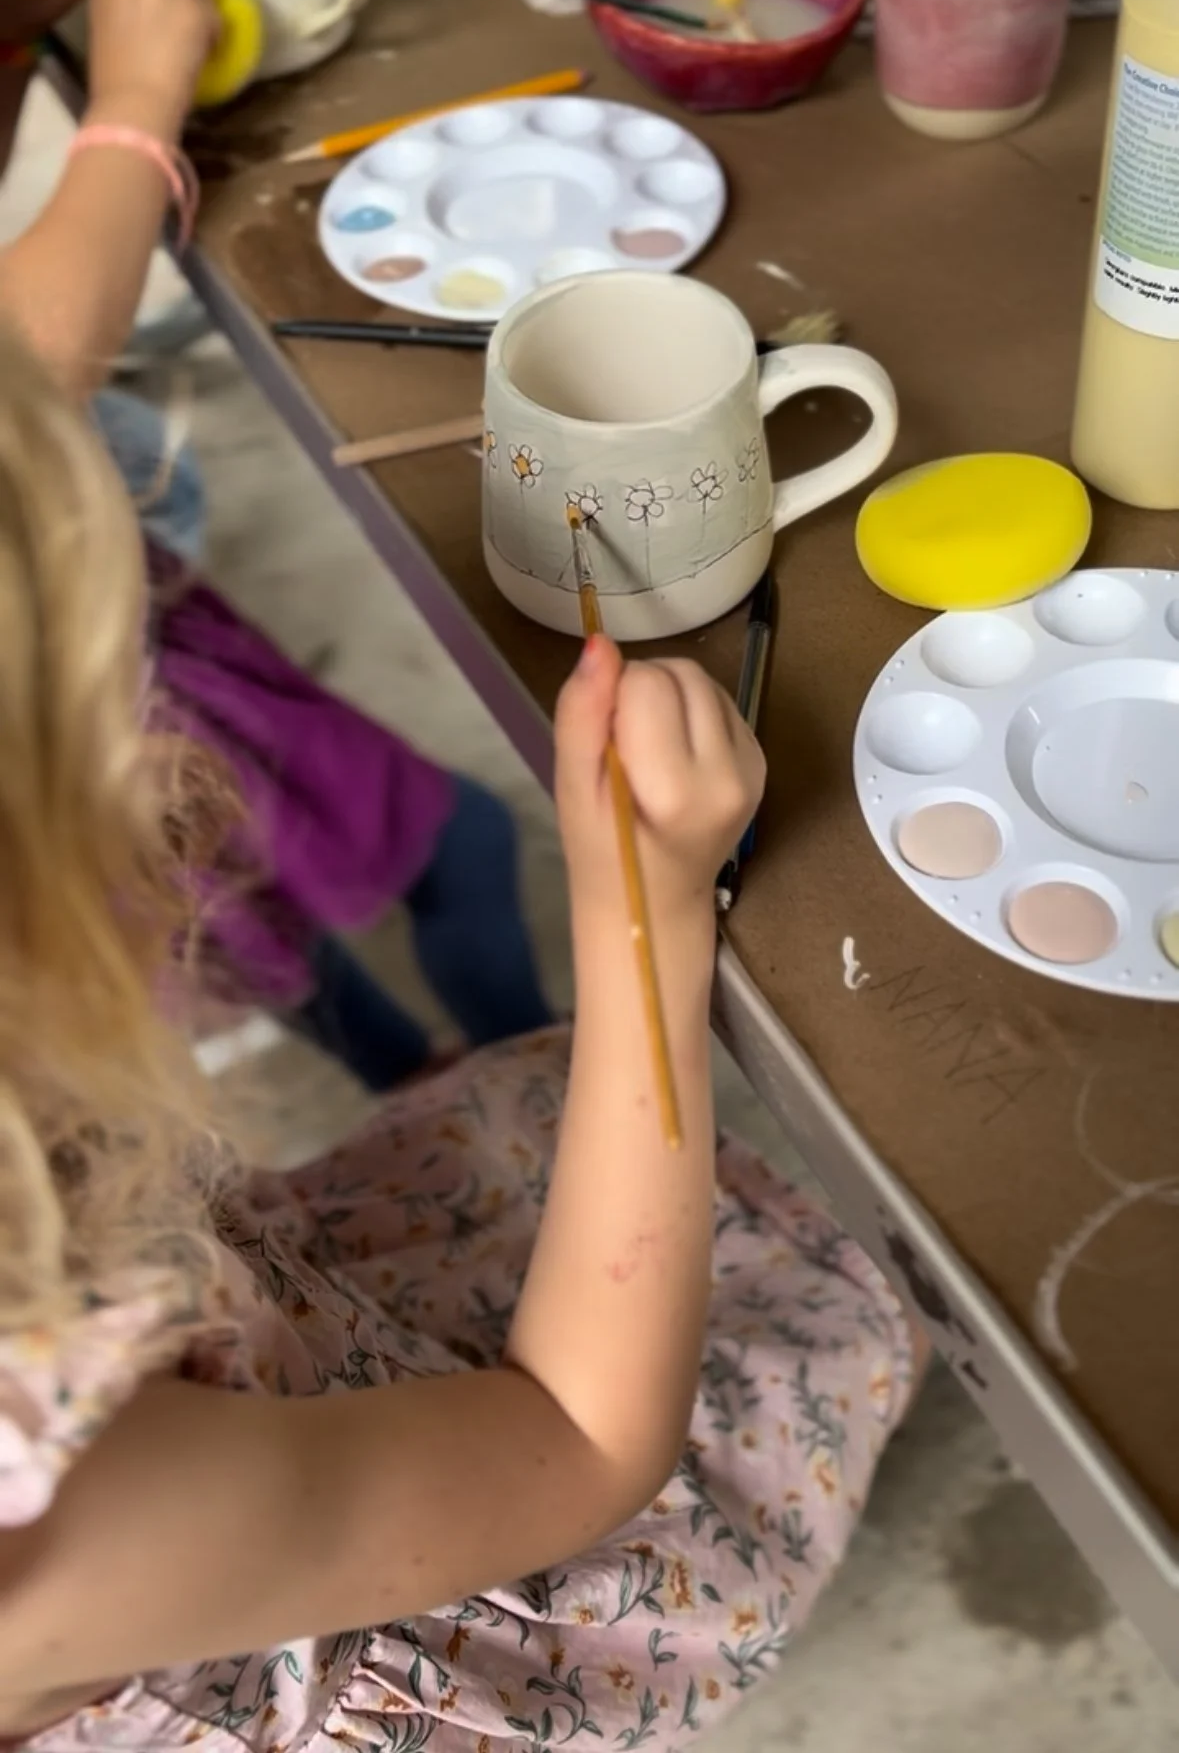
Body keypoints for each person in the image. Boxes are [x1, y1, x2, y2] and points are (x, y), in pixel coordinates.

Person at [0, 349, 917, 1750]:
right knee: (811, 1320)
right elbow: (580, 1440)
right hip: (488, 1504)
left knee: (516, 1105)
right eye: (90, 754)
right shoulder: (64, 1533)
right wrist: (645, 916)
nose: (168, 777)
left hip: (301, 1354)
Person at [0, 0, 551, 1084]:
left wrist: (17, 13)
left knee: (241, 931)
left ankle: (410, 1075)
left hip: (93, 647)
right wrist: (137, 103)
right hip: (79, 727)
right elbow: (29, 370)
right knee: (431, 850)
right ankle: (516, 1078)